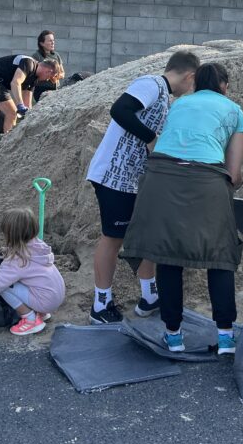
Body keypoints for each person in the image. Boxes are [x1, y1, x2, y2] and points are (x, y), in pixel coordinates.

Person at [122, 63, 243, 357]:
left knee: (168, 255)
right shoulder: (234, 111)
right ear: (225, 86)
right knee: (220, 257)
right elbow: (233, 171)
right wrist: (233, 185)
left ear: (195, 84)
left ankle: (173, 336)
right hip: (206, 179)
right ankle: (226, 338)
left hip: (161, 178)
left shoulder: (179, 104)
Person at [84, 50, 200, 324]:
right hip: (114, 177)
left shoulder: (165, 98)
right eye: (193, 84)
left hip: (135, 181)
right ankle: (101, 304)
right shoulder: (151, 84)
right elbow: (120, 110)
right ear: (190, 76)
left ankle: (149, 296)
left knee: (146, 235)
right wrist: (150, 138)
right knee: (113, 238)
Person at [0, 207, 66, 337]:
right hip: (55, 296)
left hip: (45, 301)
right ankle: (41, 313)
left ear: (10, 234)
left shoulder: (17, 260)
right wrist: (9, 249)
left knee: (5, 286)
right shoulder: (39, 246)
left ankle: (30, 320)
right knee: (27, 279)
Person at [0, 54, 61, 132]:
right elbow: (15, 83)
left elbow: (27, 104)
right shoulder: (29, 63)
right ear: (48, 71)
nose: (47, 80)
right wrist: (20, 105)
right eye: (49, 77)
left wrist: (30, 116)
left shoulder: (34, 78)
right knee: (12, 113)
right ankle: (9, 143)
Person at [31, 30, 65, 103]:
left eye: (53, 40)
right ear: (42, 43)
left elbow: (62, 73)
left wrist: (56, 76)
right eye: (50, 41)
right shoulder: (36, 56)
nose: (52, 43)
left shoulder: (56, 55)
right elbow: (32, 75)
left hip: (55, 89)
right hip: (41, 89)